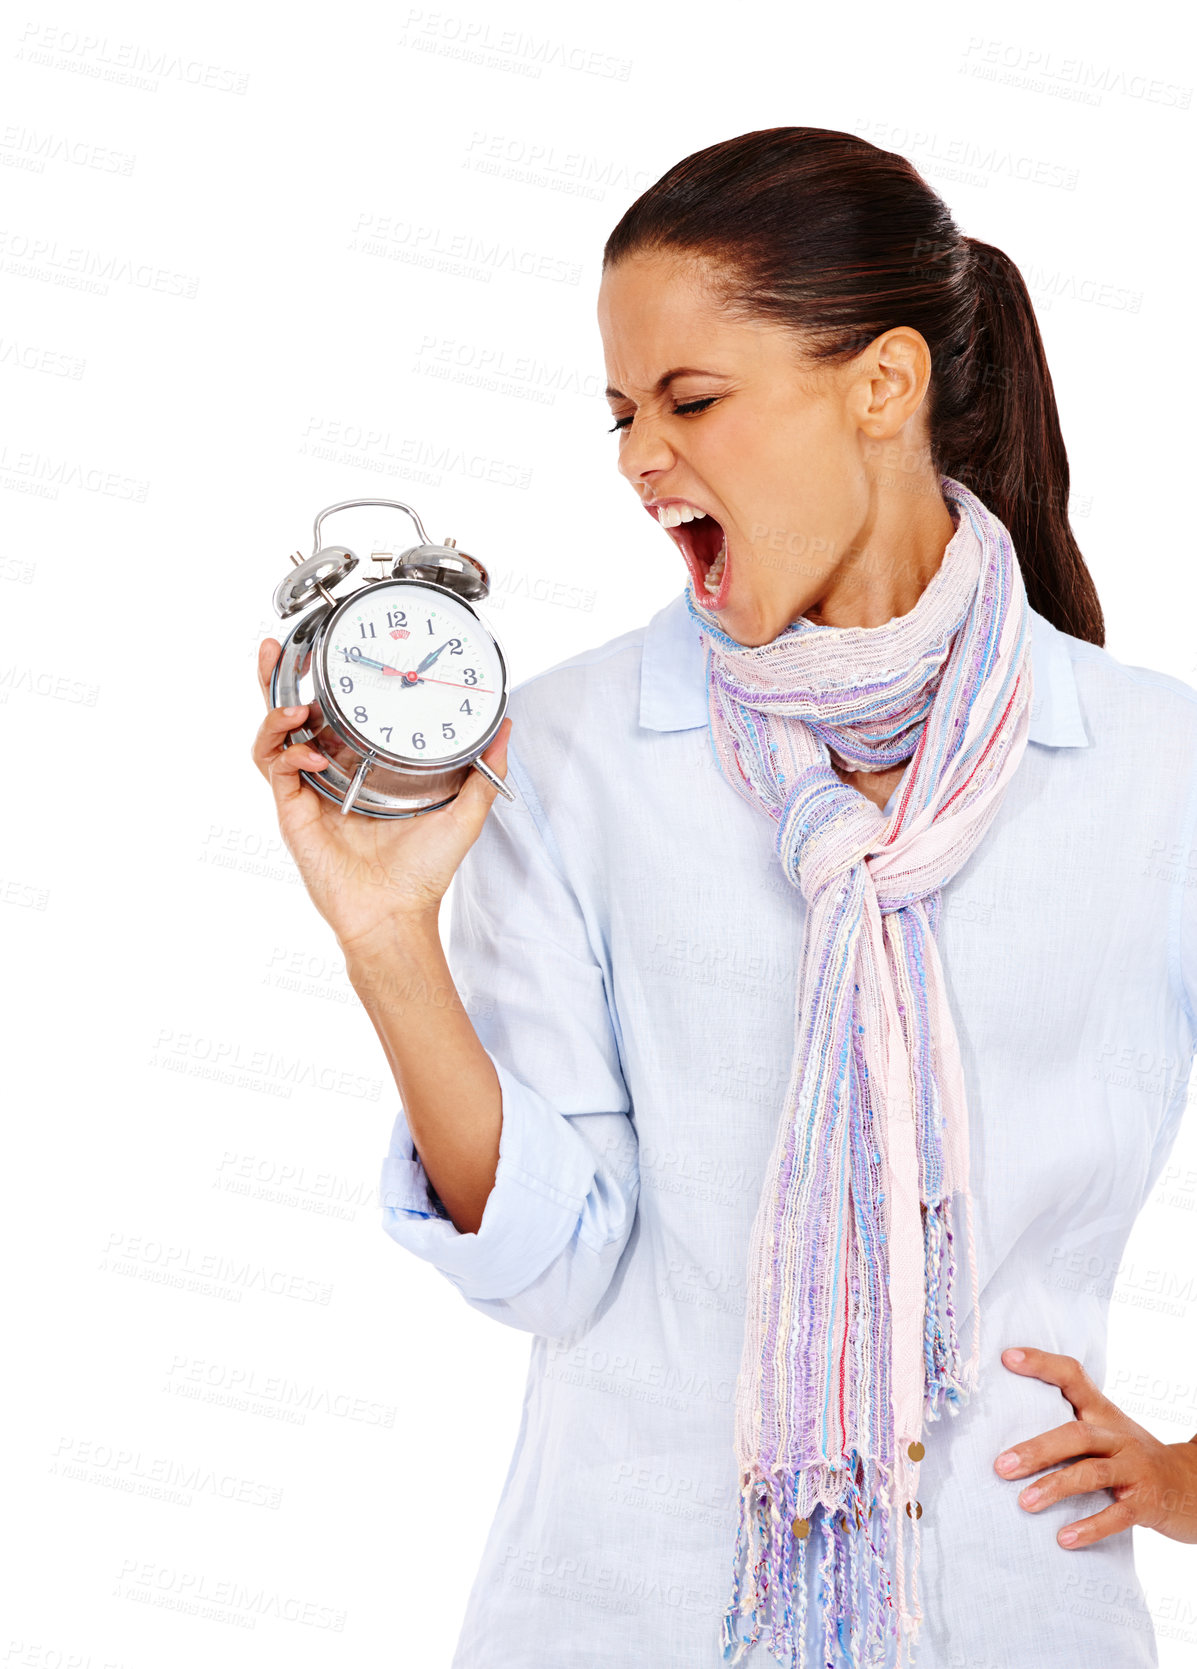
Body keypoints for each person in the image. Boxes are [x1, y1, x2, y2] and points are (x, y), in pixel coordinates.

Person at [253, 128, 1197, 1668]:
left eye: (691, 402)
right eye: (622, 413)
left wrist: (1182, 1483)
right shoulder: (557, 752)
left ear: (882, 387)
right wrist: (386, 942)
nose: (638, 457)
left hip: (1014, 1620)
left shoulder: (1156, 768)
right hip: (618, 1612)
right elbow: (556, 1265)